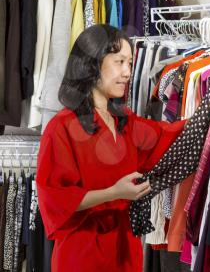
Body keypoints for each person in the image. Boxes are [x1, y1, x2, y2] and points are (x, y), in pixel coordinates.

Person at [36, 24, 185, 272]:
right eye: (119, 62)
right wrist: (113, 193)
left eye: (130, 63)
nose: (127, 72)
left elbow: (164, 136)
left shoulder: (124, 119)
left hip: (125, 251)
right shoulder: (61, 128)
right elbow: (55, 199)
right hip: (82, 254)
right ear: (92, 64)